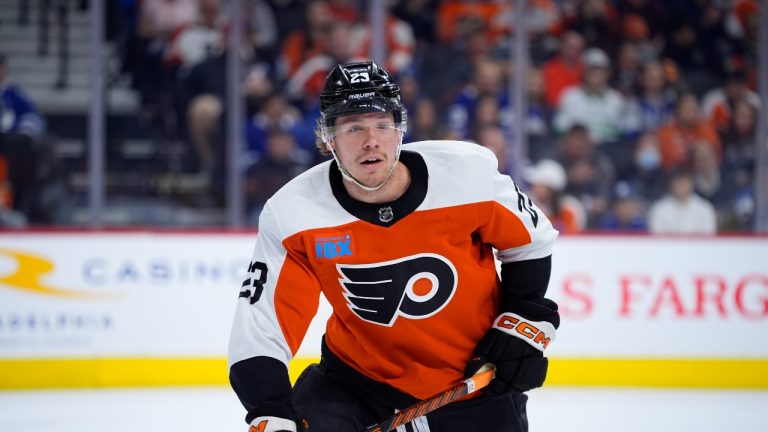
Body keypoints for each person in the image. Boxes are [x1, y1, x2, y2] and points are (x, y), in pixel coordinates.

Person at [228, 60, 560, 432]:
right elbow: (262, 327)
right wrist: (269, 410)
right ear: (327, 139)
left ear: (400, 130)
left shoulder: (467, 175)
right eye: (353, 128)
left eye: (382, 125)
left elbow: (532, 243)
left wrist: (518, 320)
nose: (371, 141)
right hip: (356, 387)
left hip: (472, 383)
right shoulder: (294, 214)